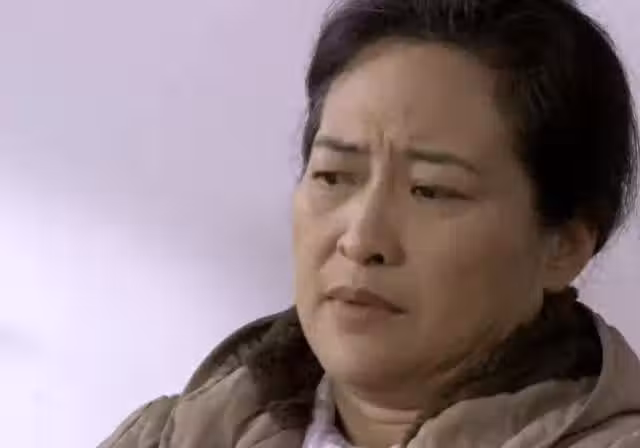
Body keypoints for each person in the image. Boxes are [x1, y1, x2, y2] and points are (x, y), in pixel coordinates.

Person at [100, 0, 640, 447]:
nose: (361, 240)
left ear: (565, 246)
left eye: (431, 190)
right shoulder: (170, 436)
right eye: (333, 176)